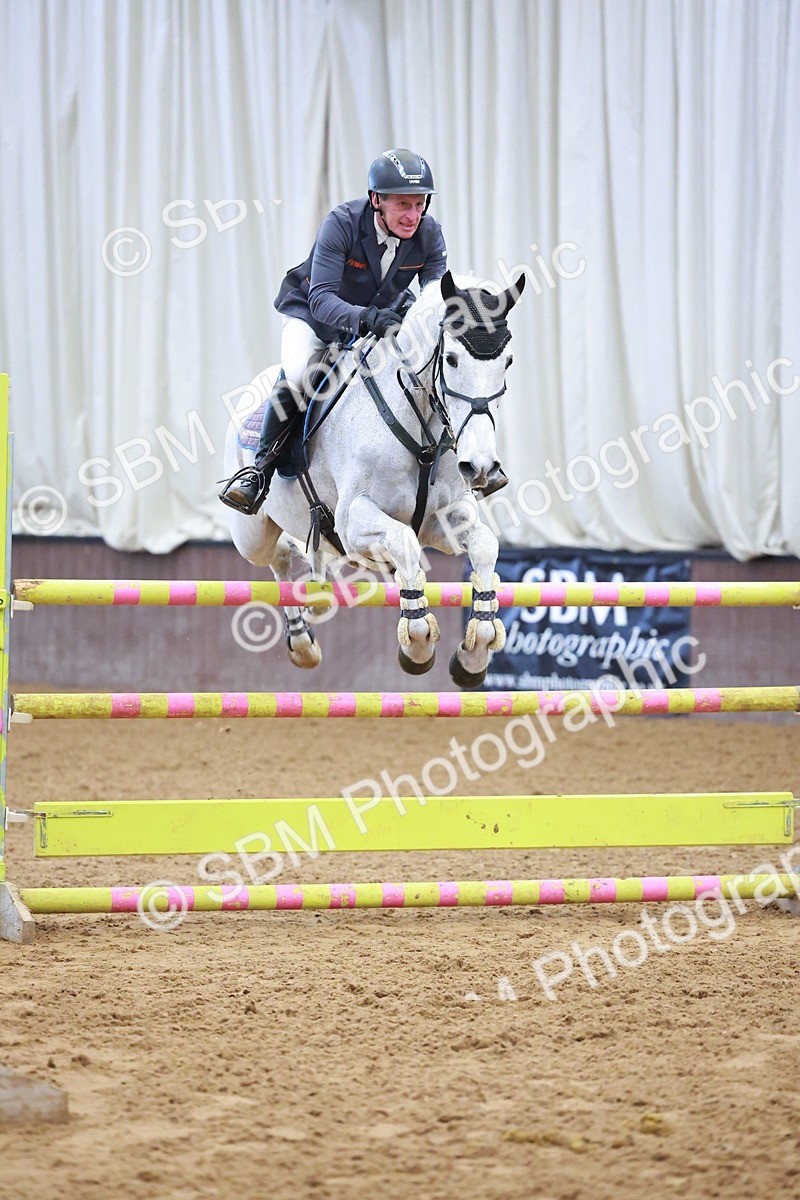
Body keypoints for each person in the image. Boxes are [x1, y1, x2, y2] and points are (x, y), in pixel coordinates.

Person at [219, 148, 448, 514]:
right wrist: (370, 319)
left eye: (420, 204)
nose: (413, 215)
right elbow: (322, 299)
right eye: (403, 204)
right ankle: (258, 472)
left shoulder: (429, 234)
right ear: (377, 200)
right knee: (299, 375)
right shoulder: (341, 223)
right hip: (313, 317)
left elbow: (434, 297)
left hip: (375, 321)